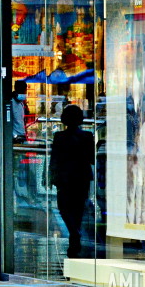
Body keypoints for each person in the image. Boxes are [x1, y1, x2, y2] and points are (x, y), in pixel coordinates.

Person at [49, 104, 94, 258]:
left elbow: (54, 159)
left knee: (63, 207)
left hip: (65, 177)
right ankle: (75, 232)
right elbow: (91, 158)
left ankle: (74, 232)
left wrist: (50, 176)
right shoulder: (87, 136)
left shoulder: (59, 137)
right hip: (81, 177)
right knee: (78, 208)